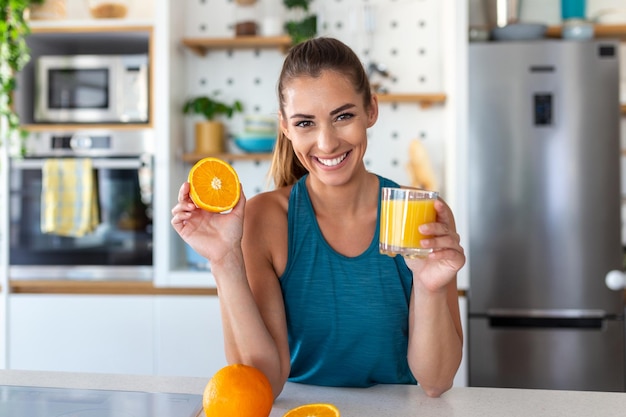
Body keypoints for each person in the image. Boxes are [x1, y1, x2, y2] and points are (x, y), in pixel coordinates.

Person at [171, 37, 465, 399]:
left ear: (371, 110)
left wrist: (430, 287)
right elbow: (264, 380)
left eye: (343, 116)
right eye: (305, 123)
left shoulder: (415, 213)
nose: (326, 143)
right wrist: (224, 261)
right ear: (285, 126)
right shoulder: (266, 218)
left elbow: (437, 382)